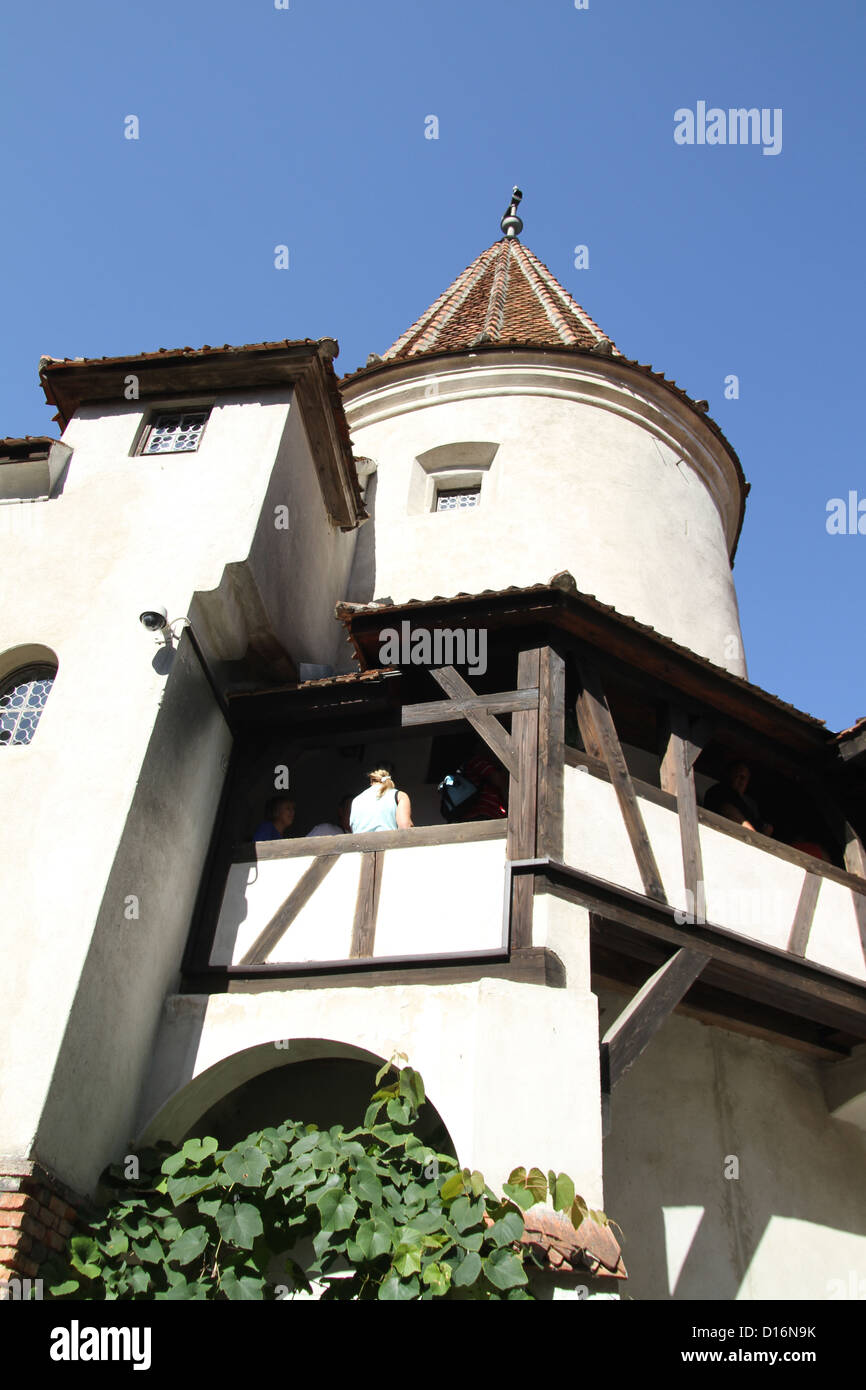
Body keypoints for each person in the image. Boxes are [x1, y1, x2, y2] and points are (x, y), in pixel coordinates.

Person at [703, 762, 773, 836]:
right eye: (735, 775)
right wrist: (755, 839)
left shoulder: (750, 804)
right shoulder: (720, 791)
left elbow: (766, 828)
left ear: (747, 781)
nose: (737, 780)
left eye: (742, 777)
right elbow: (729, 811)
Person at [450, 743, 508, 822]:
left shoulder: (473, 764)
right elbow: (498, 780)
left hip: (483, 815)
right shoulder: (478, 762)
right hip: (482, 814)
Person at [350, 768, 413, 832]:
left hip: (360, 841)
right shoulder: (399, 795)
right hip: (388, 841)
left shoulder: (356, 800)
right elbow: (404, 827)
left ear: (371, 782)